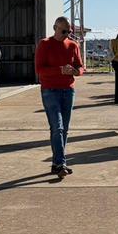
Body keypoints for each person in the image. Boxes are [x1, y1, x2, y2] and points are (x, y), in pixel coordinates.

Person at [36, 16, 84, 176]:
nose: (67, 34)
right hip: (50, 91)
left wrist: (76, 71)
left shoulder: (73, 45)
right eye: (64, 31)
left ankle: (57, 163)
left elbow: (80, 67)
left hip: (68, 91)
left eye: (69, 31)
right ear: (55, 28)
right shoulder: (44, 44)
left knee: (65, 129)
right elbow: (39, 70)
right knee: (57, 127)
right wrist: (60, 70)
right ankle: (60, 163)